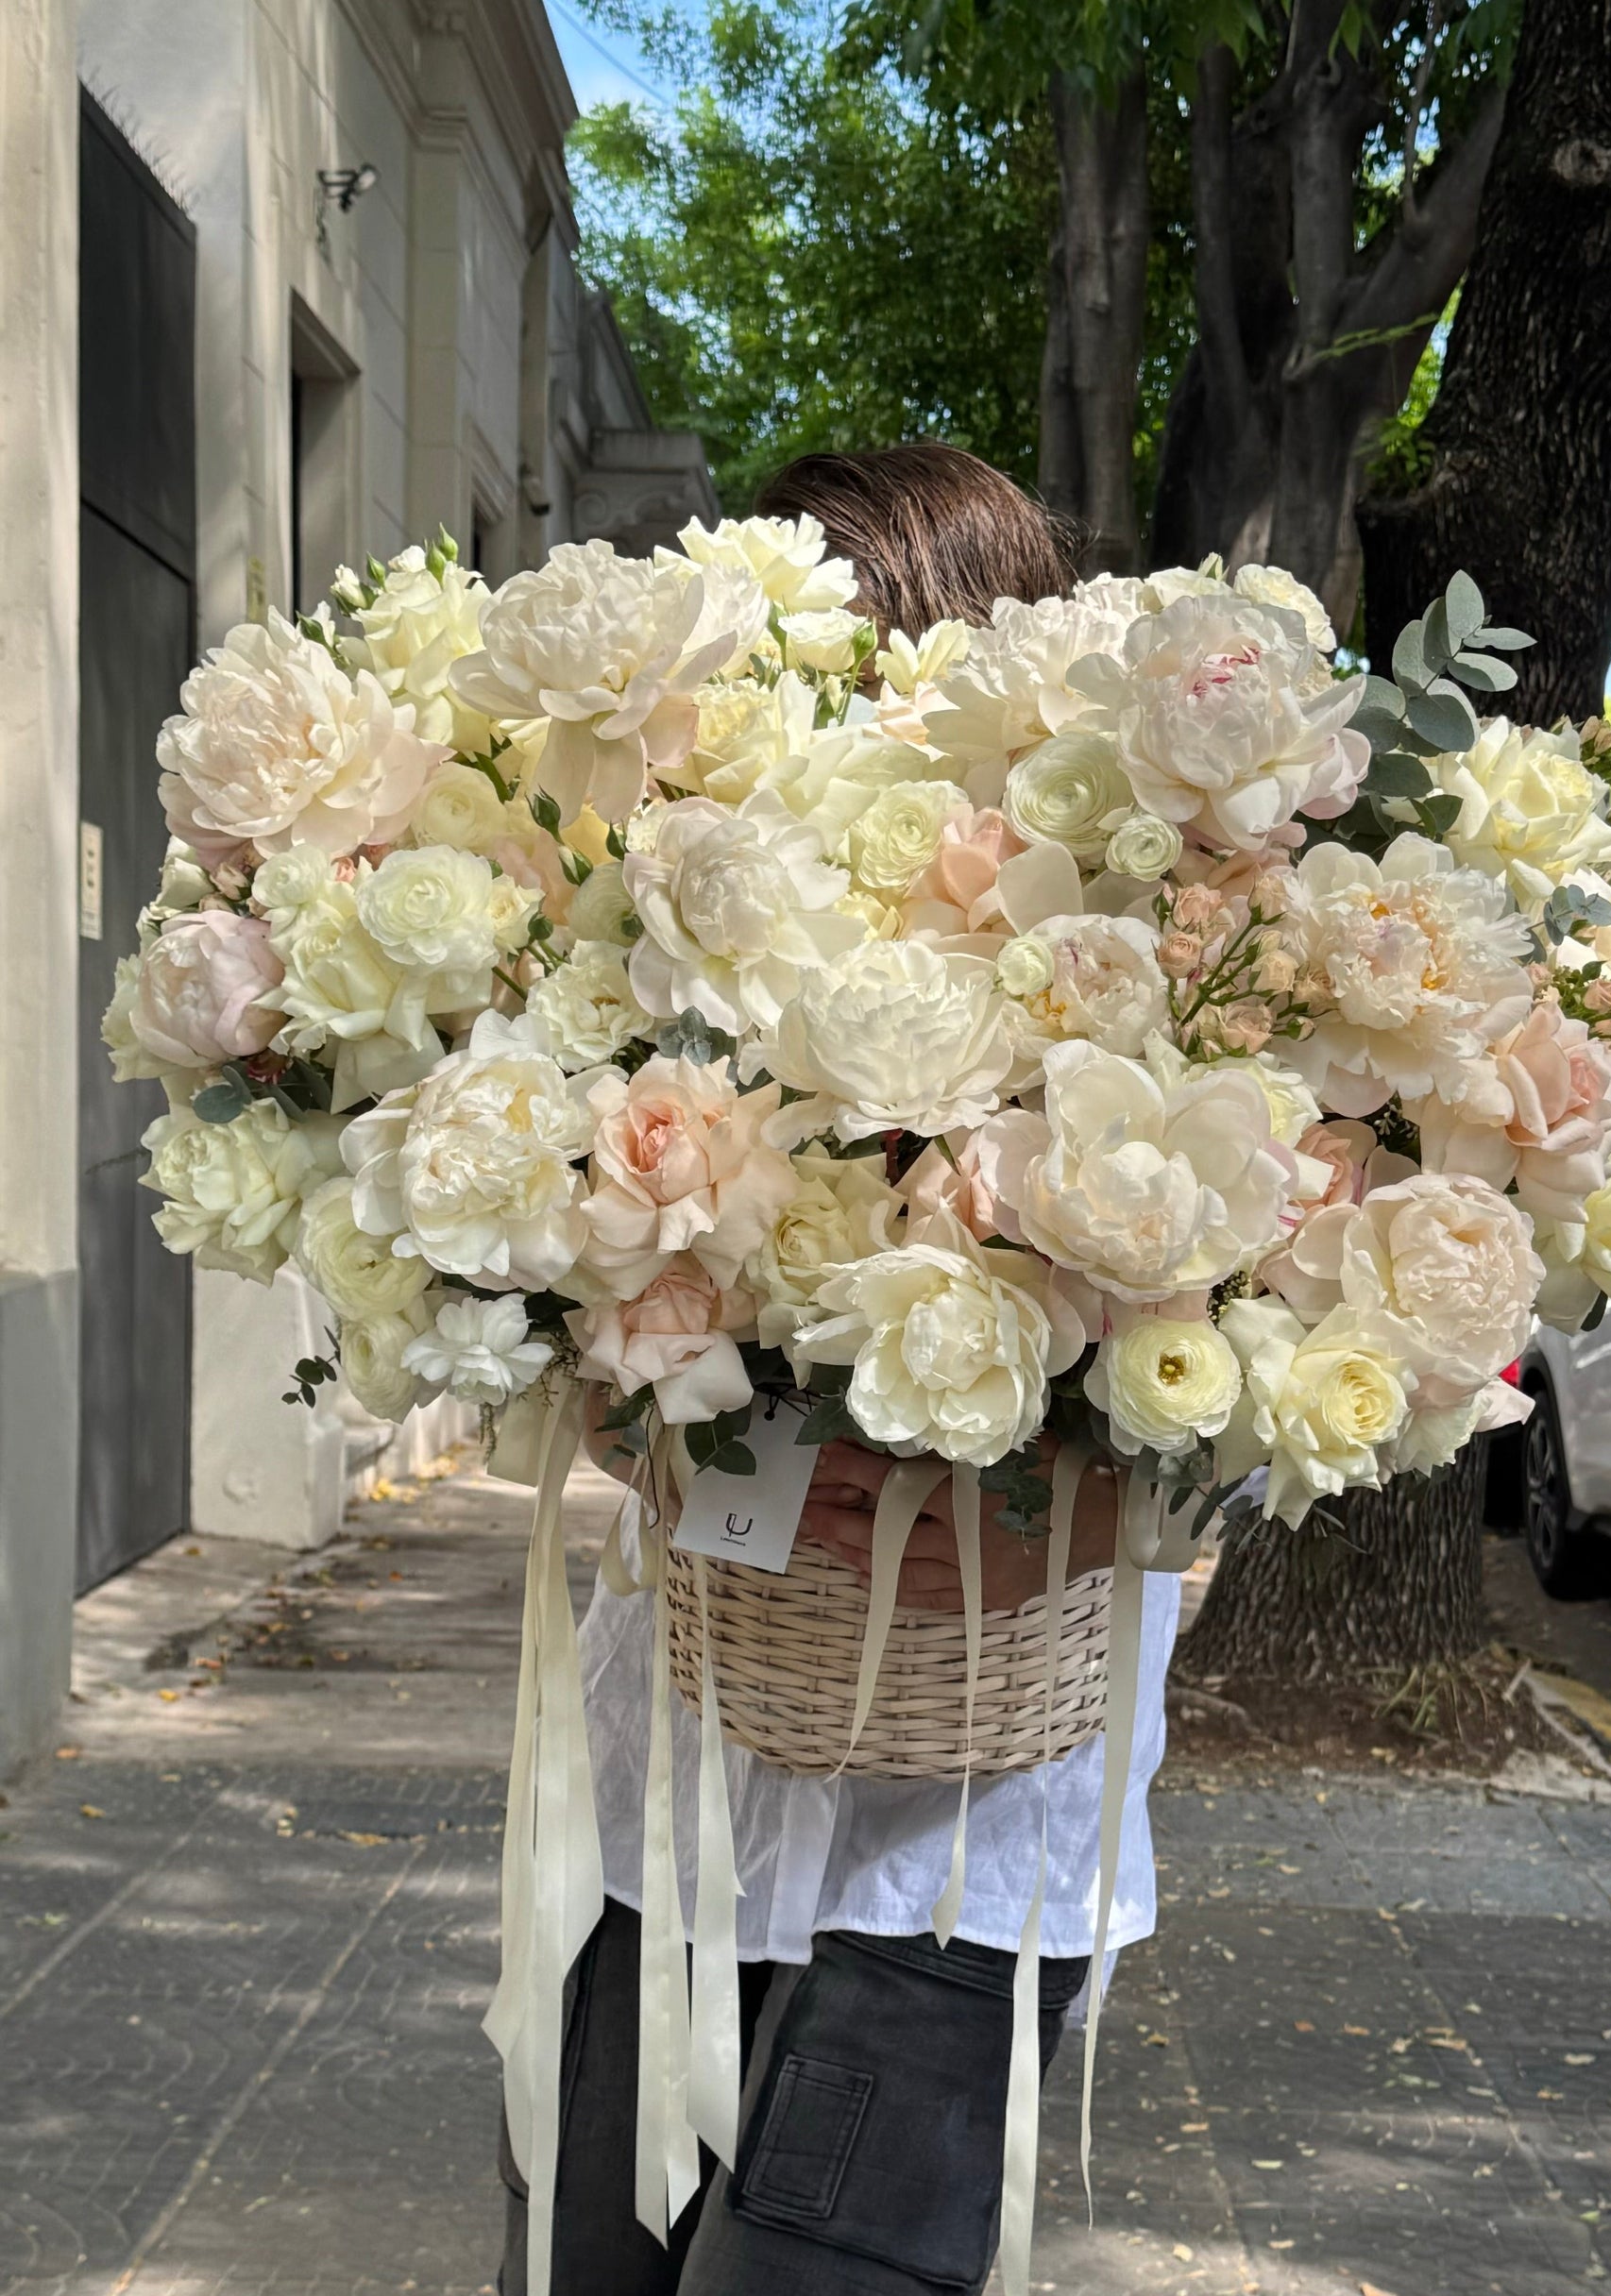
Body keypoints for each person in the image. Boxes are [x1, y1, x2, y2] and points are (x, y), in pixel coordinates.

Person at [498, 443, 1185, 2296]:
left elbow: (1256, 1410)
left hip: (953, 1866)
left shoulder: (1126, 972)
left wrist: (1079, 1514)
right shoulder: (679, 954)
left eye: (862, 665)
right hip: (666, 1810)